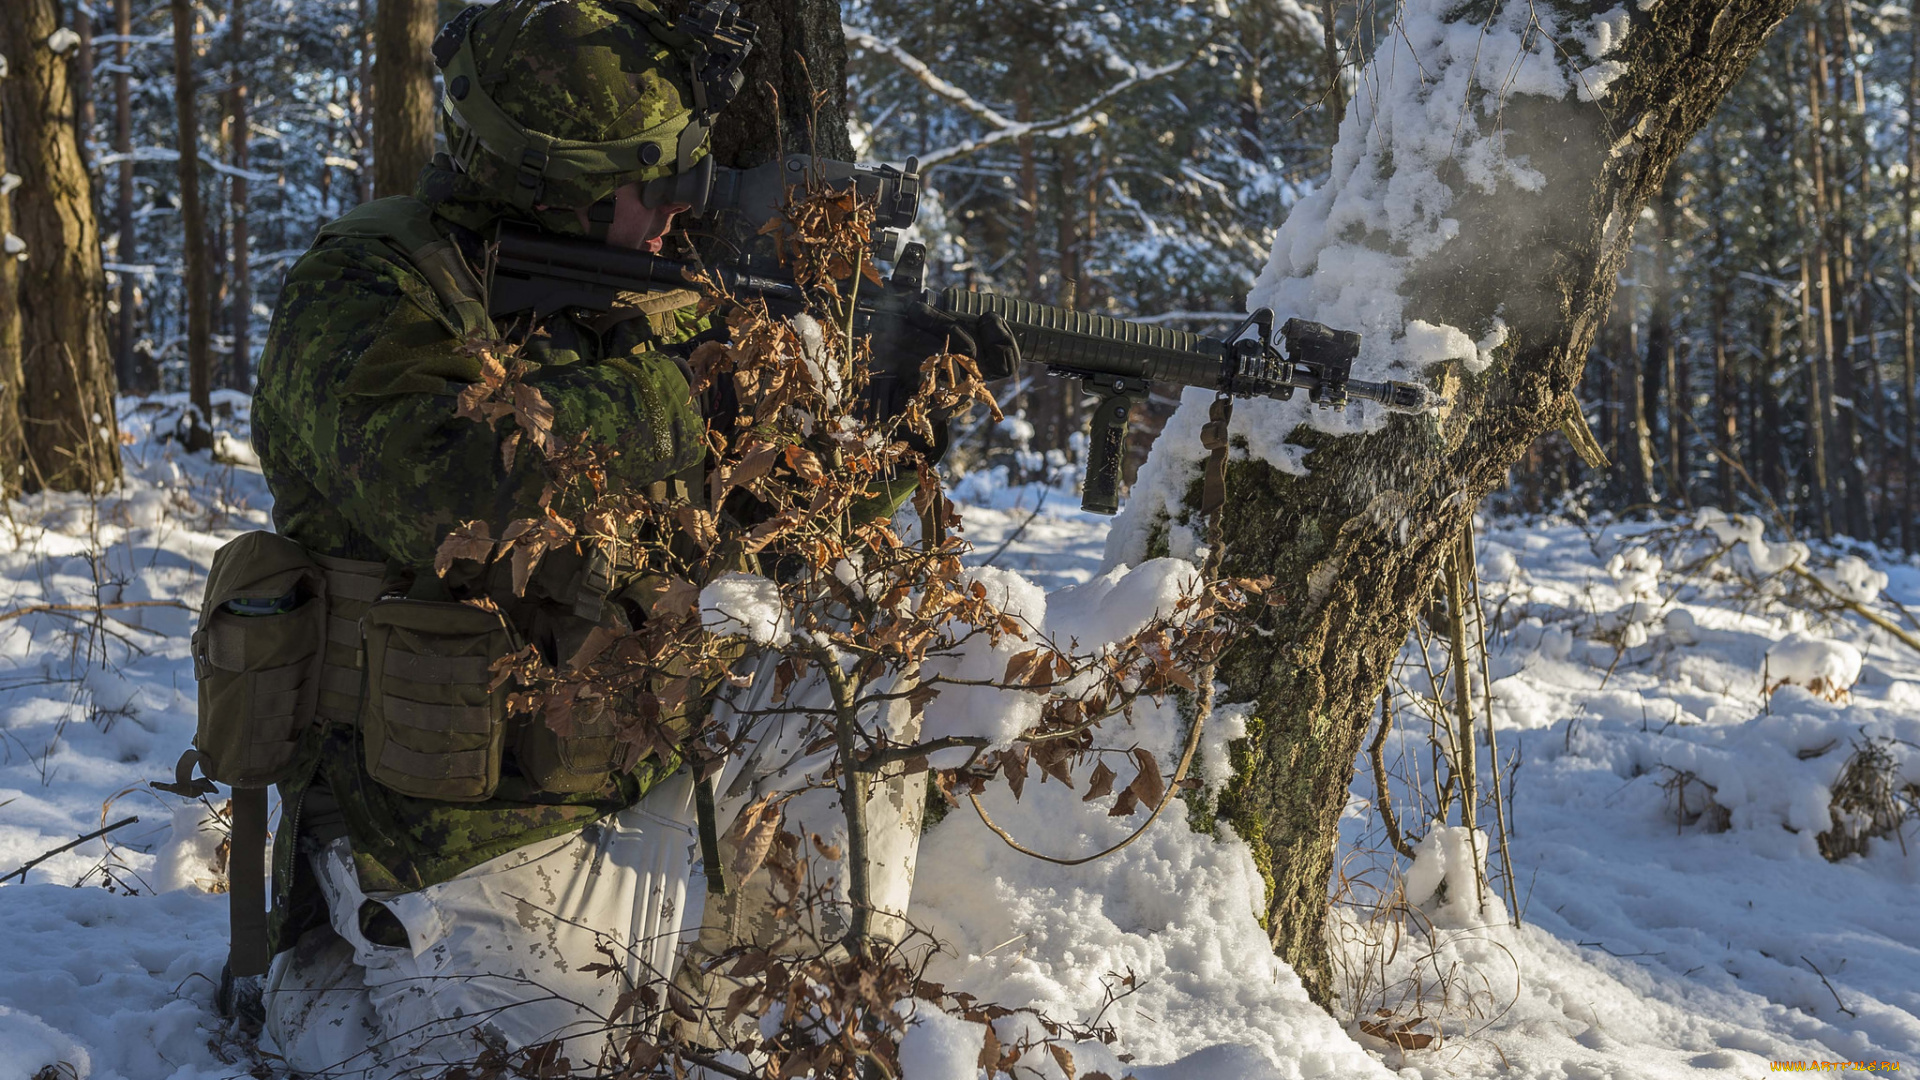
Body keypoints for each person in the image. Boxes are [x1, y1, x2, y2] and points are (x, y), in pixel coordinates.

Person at [236, 0, 1007, 1072]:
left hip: (631, 766)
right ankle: (330, 991)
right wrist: (694, 404)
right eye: (654, 184)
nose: (675, 212)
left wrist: (904, 422)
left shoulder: (645, 302)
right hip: (451, 830)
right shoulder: (367, 292)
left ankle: (788, 1000)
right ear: (553, 184)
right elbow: (450, 491)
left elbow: (781, 533)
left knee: (856, 675)